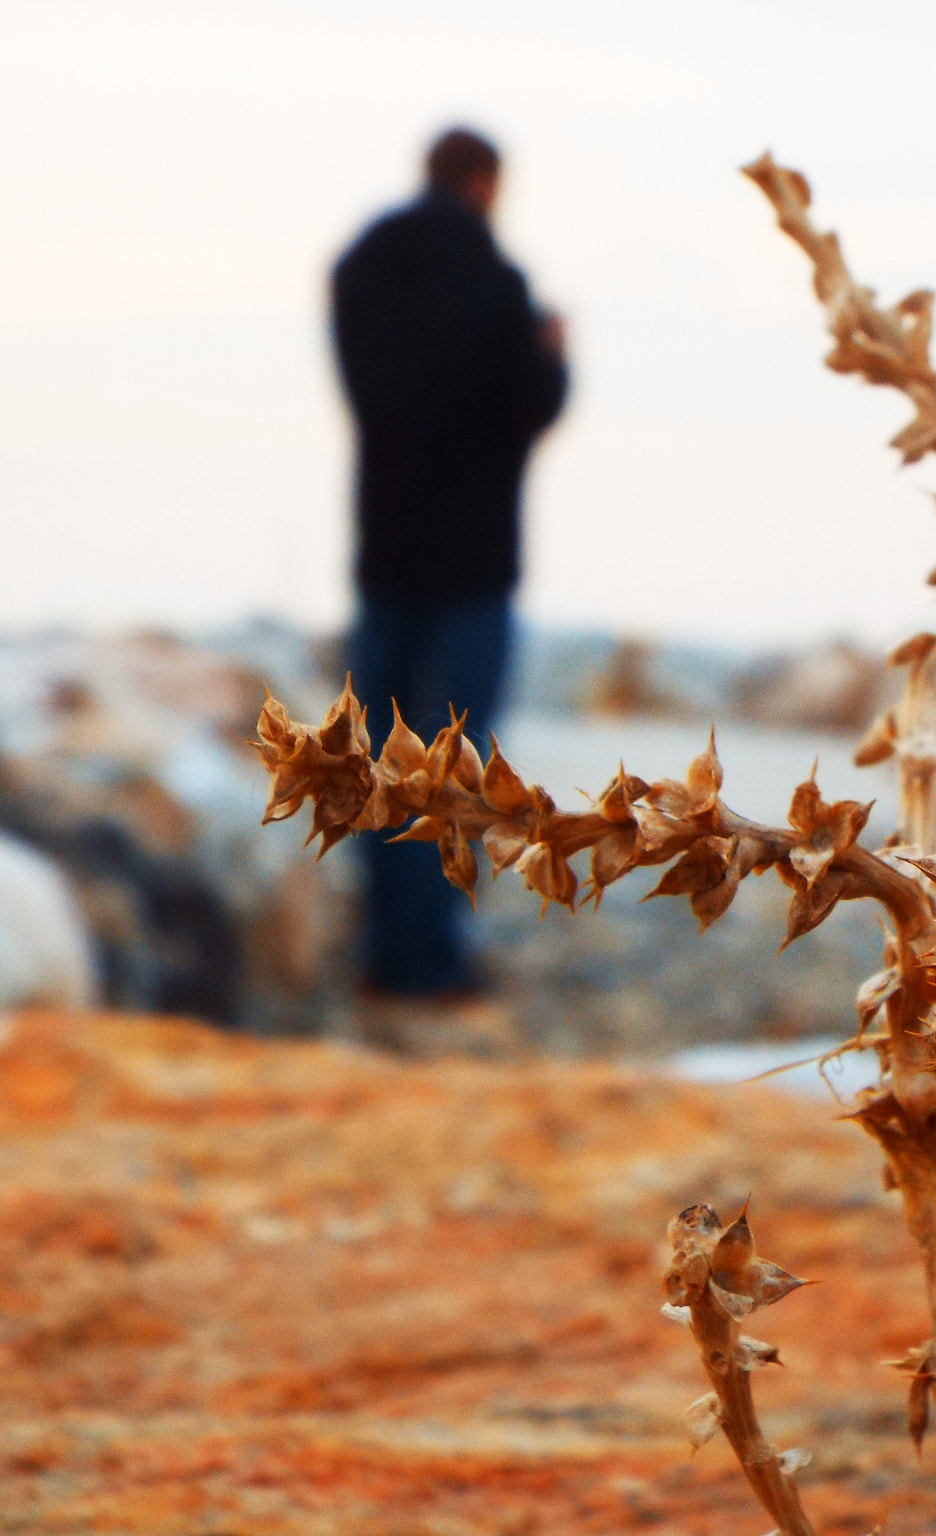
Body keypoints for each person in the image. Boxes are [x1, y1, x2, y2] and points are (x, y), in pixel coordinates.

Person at [331, 126, 569, 998]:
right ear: (484, 183)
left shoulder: (363, 266)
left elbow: (365, 387)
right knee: (450, 761)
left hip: (385, 545)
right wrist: (552, 355)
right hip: (473, 559)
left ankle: (378, 954)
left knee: (377, 757)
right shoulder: (497, 283)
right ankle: (430, 963)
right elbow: (530, 404)